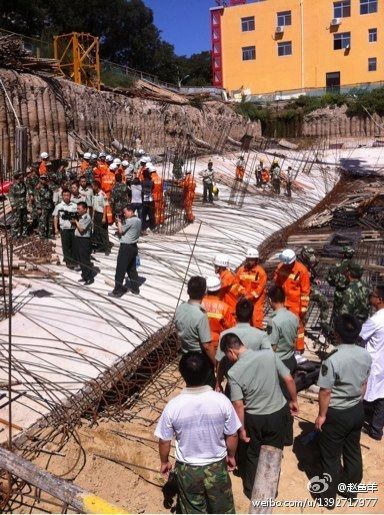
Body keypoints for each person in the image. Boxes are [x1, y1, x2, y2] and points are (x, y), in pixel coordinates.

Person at [155, 352, 240, 514]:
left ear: (182, 374)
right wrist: (231, 456)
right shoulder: (221, 401)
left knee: (193, 509)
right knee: (223, 508)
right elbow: (232, 435)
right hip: (216, 466)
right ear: (208, 373)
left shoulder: (173, 406)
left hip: (188, 470)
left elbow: (165, 440)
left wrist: (164, 462)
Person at [221, 333, 299, 499]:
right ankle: (271, 489)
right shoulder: (269, 354)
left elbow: (238, 404)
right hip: (277, 413)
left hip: (254, 418)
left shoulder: (234, 372)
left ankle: (251, 490)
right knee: (274, 452)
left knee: (253, 454)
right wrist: (294, 401)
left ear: (230, 351)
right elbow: (289, 379)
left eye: (227, 356)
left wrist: (241, 429)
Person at [315, 314, 372, 501]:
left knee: (331, 457)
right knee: (353, 451)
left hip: (336, 413)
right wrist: (357, 403)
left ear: (337, 335)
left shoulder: (332, 358)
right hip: (356, 410)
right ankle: (350, 490)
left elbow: (325, 391)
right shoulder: (365, 355)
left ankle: (328, 496)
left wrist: (322, 416)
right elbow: (364, 383)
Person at [216, 298, 271, 392]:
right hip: (253, 386)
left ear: (236, 315)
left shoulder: (225, 335)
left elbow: (220, 363)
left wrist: (218, 383)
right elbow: (269, 358)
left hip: (232, 385)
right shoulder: (261, 335)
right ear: (251, 316)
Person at [273, 248, 310, 353]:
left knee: (297, 326)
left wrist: (303, 307)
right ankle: (283, 345)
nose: (286, 266)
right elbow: (277, 283)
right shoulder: (281, 267)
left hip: (295, 304)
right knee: (282, 324)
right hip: (283, 302)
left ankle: (298, 348)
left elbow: (305, 290)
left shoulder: (302, 270)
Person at [360, 284, 384, 441]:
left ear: (380, 300)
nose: (371, 298)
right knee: (382, 395)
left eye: (373, 296)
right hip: (382, 362)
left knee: (362, 393)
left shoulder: (375, 320)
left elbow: (360, 336)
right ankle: (376, 430)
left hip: (373, 362)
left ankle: (357, 422)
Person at [174, 276, 214, 367]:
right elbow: (207, 346)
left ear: (188, 292)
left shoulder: (179, 309)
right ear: (205, 292)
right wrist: (216, 364)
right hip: (199, 360)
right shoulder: (200, 315)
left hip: (185, 356)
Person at [109, 204, 141, 298]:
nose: (124, 214)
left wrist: (119, 221)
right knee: (131, 269)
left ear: (130, 211)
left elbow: (121, 230)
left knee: (120, 270)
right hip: (133, 247)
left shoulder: (130, 220)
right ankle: (135, 289)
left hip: (126, 248)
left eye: (125, 212)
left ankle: (117, 290)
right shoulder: (138, 220)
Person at [202, 276, 235, 354]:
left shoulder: (199, 303)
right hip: (216, 343)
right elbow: (231, 327)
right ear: (219, 290)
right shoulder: (224, 307)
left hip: (200, 341)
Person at [236, 248, 267, 329]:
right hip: (244, 300)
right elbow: (236, 284)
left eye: (252, 260)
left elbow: (258, 290)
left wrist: (248, 297)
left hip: (256, 303)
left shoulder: (261, 273)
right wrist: (242, 292)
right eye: (248, 259)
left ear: (256, 260)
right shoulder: (241, 270)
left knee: (256, 323)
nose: (249, 261)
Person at [297, 246, 329, 322]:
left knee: (323, 300)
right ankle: (301, 328)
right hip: (298, 292)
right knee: (304, 311)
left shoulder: (306, 262)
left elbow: (310, 274)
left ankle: (323, 322)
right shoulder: (297, 264)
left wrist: (313, 280)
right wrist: (305, 275)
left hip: (307, 289)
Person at [326, 246, 355, 319]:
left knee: (337, 313)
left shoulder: (337, 267)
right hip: (352, 293)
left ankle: (336, 327)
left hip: (340, 293)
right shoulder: (356, 267)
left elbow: (329, 279)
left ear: (343, 255)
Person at [53, 189, 78, 269]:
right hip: (64, 229)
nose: (66, 197)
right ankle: (68, 262)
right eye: (65, 195)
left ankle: (74, 261)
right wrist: (56, 228)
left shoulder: (74, 205)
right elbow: (55, 217)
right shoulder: (59, 206)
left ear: (70, 196)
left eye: (68, 195)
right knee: (66, 246)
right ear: (62, 196)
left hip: (73, 229)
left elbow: (78, 216)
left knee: (74, 246)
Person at [73, 201, 95, 285]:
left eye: (79, 208)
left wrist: (75, 221)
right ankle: (84, 276)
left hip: (84, 240)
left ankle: (89, 278)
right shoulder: (81, 216)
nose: (77, 210)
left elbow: (81, 229)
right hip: (78, 239)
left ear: (85, 209)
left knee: (85, 260)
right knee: (80, 259)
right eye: (77, 208)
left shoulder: (87, 217)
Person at [91, 181, 110, 255]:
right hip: (96, 214)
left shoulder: (103, 194)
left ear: (96, 186)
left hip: (102, 215)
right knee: (97, 231)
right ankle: (100, 246)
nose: (92, 187)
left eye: (93, 186)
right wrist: (93, 216)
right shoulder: (94, 194)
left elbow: (105, 206)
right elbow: (94, 207)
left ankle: (107, 248)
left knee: (103, 232)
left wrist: (104, 217)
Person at [9, 172, 27, 239]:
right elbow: (11, 196)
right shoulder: (13, 186)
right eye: (21, 176)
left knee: (24, 220)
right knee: (16, 221)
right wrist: (13, 205)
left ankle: (24, 234)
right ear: (18, 177)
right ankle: (14, 235)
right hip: (17, 206)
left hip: (24, 205)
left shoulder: (23, 184)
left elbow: (25, 193)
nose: (22, 177)